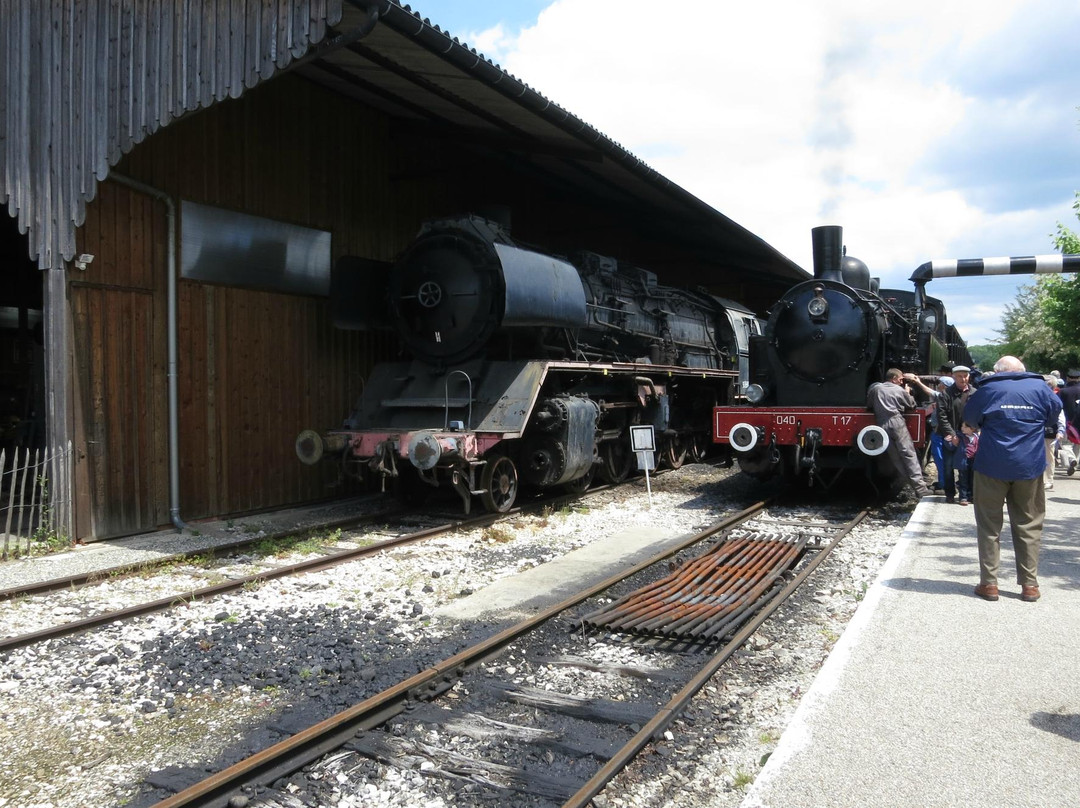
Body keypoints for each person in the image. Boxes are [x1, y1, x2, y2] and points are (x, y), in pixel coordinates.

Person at [962, 356, 1061, 603]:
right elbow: (1053, 415)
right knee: (1029, 524)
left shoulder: (988, 389)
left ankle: (989, 584)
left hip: (991, 465)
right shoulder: (1041, 388)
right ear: (1022, 370)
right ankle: (1030, 585)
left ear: (998, 371)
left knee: (989, 526)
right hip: (1029, 465)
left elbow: (970, 419)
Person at [867, 369, 931, 499]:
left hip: (881, 425)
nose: (902, 382)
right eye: (901, 379)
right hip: (897, 422)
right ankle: (920, 489)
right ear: (894, 378)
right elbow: (912, 405)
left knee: (896, 458)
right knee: (908, 455)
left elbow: (869, 405)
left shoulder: (876, 389)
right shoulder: (899, 390)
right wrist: (907, 393)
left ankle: (914, 487)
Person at [937, 365, 974, 504]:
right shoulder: (945, 394)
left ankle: (967, 494)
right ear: (954, 377)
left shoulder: (974, 393)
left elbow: (978, 414)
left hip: (969, 435)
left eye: (965, 376)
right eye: (959, 376)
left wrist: (972, 430)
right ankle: (950, 493)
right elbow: (942, 416)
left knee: (968, 466)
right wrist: (952, 434)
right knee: (948, 466)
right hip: (951, 434)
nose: (963, 379)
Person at [1059, 369, 1080, 475]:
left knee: (1065, 444)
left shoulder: (1063, 391)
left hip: (1067, 422)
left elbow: (1058, 406)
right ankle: (1074, 464)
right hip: (1078, 422)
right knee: (1078, 445)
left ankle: (1072, 459)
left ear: (1067, 378)